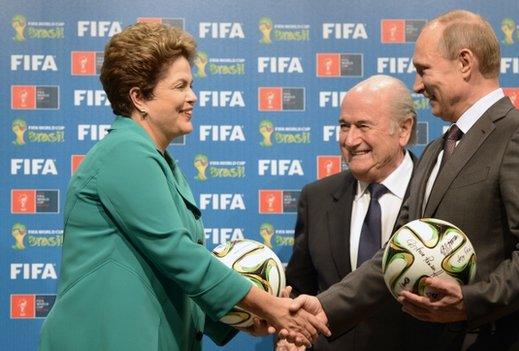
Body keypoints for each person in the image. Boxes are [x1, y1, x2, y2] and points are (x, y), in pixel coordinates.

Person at [288, 9, 519, 351]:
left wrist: (470, 300)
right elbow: (395, 253)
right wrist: (325, 307)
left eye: (424, 70)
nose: (418, 86)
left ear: (465, 62)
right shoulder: (438, 149)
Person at [39, 22, 328, 351]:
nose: (192, 97)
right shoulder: (124, 154)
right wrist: (266, 304)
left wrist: (244, 317)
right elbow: (179, 255)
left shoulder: (157, 161)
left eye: (191, 85)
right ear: (139, 97)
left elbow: (167, 278)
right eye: (180, 86)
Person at [281, 75, 440, 351]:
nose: (351, 140)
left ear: (403, 129)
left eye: (363, 126)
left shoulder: (435, 194)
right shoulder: (317, 197)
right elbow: (299, 290)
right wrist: (290, 337)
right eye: (344, 126)